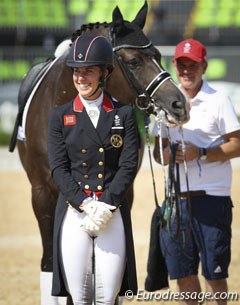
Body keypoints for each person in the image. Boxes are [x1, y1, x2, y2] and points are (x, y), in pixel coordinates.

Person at [47, 33, 139, 305]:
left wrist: (107, 205)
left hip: (111, 213)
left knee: (107, 297)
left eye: (88, 71)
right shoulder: (59, 115)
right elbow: (58, 168)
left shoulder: (124, 114)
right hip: (76, 212)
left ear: (104, 73)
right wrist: (86, 204)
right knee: (80, 296)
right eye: (77, 71)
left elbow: (128, 164)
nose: (81, 78)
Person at [153, 38, 240, 305]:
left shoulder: (219, 99)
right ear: (174, 66)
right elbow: (159, 151)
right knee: (184, 275)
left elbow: (237, 144)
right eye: (181, 65)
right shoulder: (165, 100)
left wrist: (200, 153)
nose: (186, 70)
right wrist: (166, 155)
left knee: (214, 275)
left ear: (204, 66)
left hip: (212, 198)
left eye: (192, 65)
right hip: (176, 201)